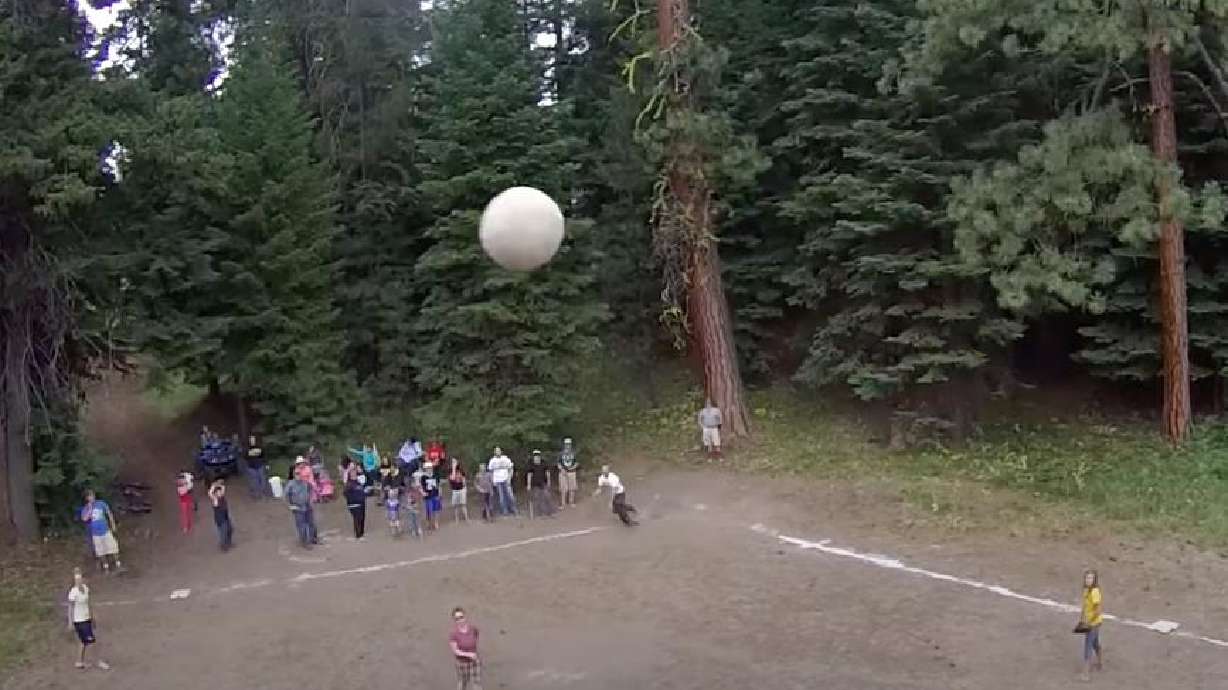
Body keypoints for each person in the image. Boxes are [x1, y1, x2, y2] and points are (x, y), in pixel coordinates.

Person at [66, 567, 109, 670]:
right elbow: (70, 608)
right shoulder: (73, 592)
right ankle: (98, 661)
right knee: (92, 641)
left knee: (83, 641)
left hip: (86, 618)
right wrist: (70, 622)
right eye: (77, 580)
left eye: (81, 579)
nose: (79, 581)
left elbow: (88, 604)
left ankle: (79, 662)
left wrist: (92, 616)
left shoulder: (85, 589)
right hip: (79, 621)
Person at [79, 491, 122, 574]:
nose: (92, 498)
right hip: (96, 534)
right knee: (100, 551)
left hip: (105, 530)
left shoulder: (101, 504)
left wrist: (113, 524)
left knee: (113, 547)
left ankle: (118, 564)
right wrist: (90, 509)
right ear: (87, 498)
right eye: (90, 496)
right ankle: (106, 567)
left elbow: (109, 513)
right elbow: (84, 519)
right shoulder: (85, 509)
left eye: (93, 496)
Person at [285, 460, 319, 549]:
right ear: (293, 474)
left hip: (307, 505)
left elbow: (311, 489)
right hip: (298, 508)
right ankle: (304, 542)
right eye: (296, 473)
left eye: (299, 473)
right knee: (302, 526)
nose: (298, 475)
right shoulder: (290, 485)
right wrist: (290, 506)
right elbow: (285, 496)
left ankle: (313, 539)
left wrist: (311, 500)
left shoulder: (305, 483)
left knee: (312, 523)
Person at [1078, 569, 1104, 681]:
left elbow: (1097, 610)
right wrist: (1082, 618)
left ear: (1094, 580)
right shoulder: (1085, 590)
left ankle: (1086, 674)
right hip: (1088, 621)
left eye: (1090, 578)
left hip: (1094, 623)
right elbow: (1085, 605)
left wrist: (1089, 622)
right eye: (1087, 578)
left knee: (1088, 646)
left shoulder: (1095, 592)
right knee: (1095, 643)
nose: (1088, 580)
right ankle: (1100, 662)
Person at [449, 607, 482, 690]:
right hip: (462, 663)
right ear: (454, 620)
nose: (460, 620)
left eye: (461, 617)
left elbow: (476, 637)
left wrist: (473, 653)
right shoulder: (453, 634)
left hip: (474, 661)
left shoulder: (473, 629)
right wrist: (469, 654)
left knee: (477, 682)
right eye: (457, 619)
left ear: (465, 617)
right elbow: (456, 651)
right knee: (463, 682)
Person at [488, 447, 516, 517]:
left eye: (499, 451)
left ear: (501, 451)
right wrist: (493, 481)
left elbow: (511, 469)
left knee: (510, 495)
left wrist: (509, 478)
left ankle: (513, 509)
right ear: (494, 452)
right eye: (496, 451)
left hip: (506, 480)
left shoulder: (506, 459)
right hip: (497, 481)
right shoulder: (492, 461)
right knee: (501, 497)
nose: (498, 452)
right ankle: (505, 510)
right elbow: (491, 472)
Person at [526, 450, 554, 518]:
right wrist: (528, 484)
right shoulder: (531, 464)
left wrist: (549, 481)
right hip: (535, 484)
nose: (536, 458)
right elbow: (529, 475)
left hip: (543, 483)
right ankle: (540, 512)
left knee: (547, 496)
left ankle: (549, 512)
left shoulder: (544, 463)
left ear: (539, 456)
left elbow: (547, 473)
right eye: (535, 456)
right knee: (537, 498)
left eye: (537, 456)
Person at [208, 479, 233, 551]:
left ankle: (228, 543)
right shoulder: (215, 500)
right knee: (223, 532)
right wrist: (213, 486)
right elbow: (210, 493)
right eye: (218, 492)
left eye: (220, 492)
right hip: (220, 519)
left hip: (225, 517)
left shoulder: (222, 497)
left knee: (230, 529)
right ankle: (223, 545)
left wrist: (218, 484)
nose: (220, 493)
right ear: (215, 493)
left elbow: (223, 488)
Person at [556, 438, 579, 508]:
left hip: (572, 472)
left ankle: (571, 502)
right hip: (563, 473)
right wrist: (561, 469)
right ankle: (563, 503)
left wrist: (573, 467)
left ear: (571, 445)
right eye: (566, 444)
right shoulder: (561, 453)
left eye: (569, 444)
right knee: (563, 489)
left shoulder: (574, 453)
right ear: (564, 445)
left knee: (572, 488)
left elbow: (577, 463)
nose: (567, 445)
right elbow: (558, 463)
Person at [245, 434, 268, 499]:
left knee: (262, 479)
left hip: (260, 465)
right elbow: (245, 457)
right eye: (251, 440)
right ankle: (256, 493)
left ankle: (263, 492)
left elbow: (263, 456)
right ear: (249, 441)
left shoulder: (259, 447)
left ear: (255, 440)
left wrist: (265, 464)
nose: (252, 441)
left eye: (253, 439)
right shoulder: (247, 448)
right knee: (255, 480)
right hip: (251, 467)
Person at [344, 475, 367, 540]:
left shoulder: (359, 483)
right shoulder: (349, 484)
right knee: (357, 518)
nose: (354, 475)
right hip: (354, 504)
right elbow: (346, 494)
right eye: (352, 474)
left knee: (362, 518)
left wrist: (364, 494)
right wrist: (353, 499)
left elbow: (362, 492)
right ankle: (358, 535)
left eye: (355, 474)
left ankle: (361, 533)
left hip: (361, 503)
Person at [420, 463, 442, 531]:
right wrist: (423, 492)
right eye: (427, 468)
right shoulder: (423, 477)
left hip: (435, 494)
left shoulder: (436, 475)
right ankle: (428, 523)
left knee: (436, 510)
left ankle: (436, 522)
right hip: (428, 496)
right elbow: (421, 486)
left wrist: (440, 493)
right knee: (428, 511)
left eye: (430, 467)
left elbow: (439, 485)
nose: (429, 469)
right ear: (426, 469)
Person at [448, 458, 470, 523]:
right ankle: (457, 518)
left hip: (462, 489)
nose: (454, 463)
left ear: (457, 462)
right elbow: (452, 478)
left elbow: (464, 479)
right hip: (455, 490)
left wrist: (465, 487)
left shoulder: (461, 470)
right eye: (452, 462)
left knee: (463, 504)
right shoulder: (450, 471)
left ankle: (466, 518)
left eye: (455, 461)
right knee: (456, 505)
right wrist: (454, 469)